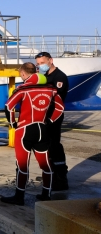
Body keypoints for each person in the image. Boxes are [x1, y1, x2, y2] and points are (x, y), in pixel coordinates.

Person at [0, 63, 64, 205]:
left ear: (23, 74)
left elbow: (8, 106)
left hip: (25, 130)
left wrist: (13, 124)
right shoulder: (50, 88)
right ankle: (46, 195)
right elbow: (60, 107)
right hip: (43, 128)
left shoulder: (23, 89)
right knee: (46, 164)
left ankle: (19, 196)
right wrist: (50, 120)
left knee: (22, 165)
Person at [35, 51, 70, 191]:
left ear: (51, 60)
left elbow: (57, 101)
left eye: (42, 63)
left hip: (53, 117)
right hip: (44, 117)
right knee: (46, 146)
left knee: (54, 146)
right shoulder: (43, 76)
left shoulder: (59, 77)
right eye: (38, 64)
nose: (40, 66)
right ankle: (50, 175)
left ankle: (60, 178)